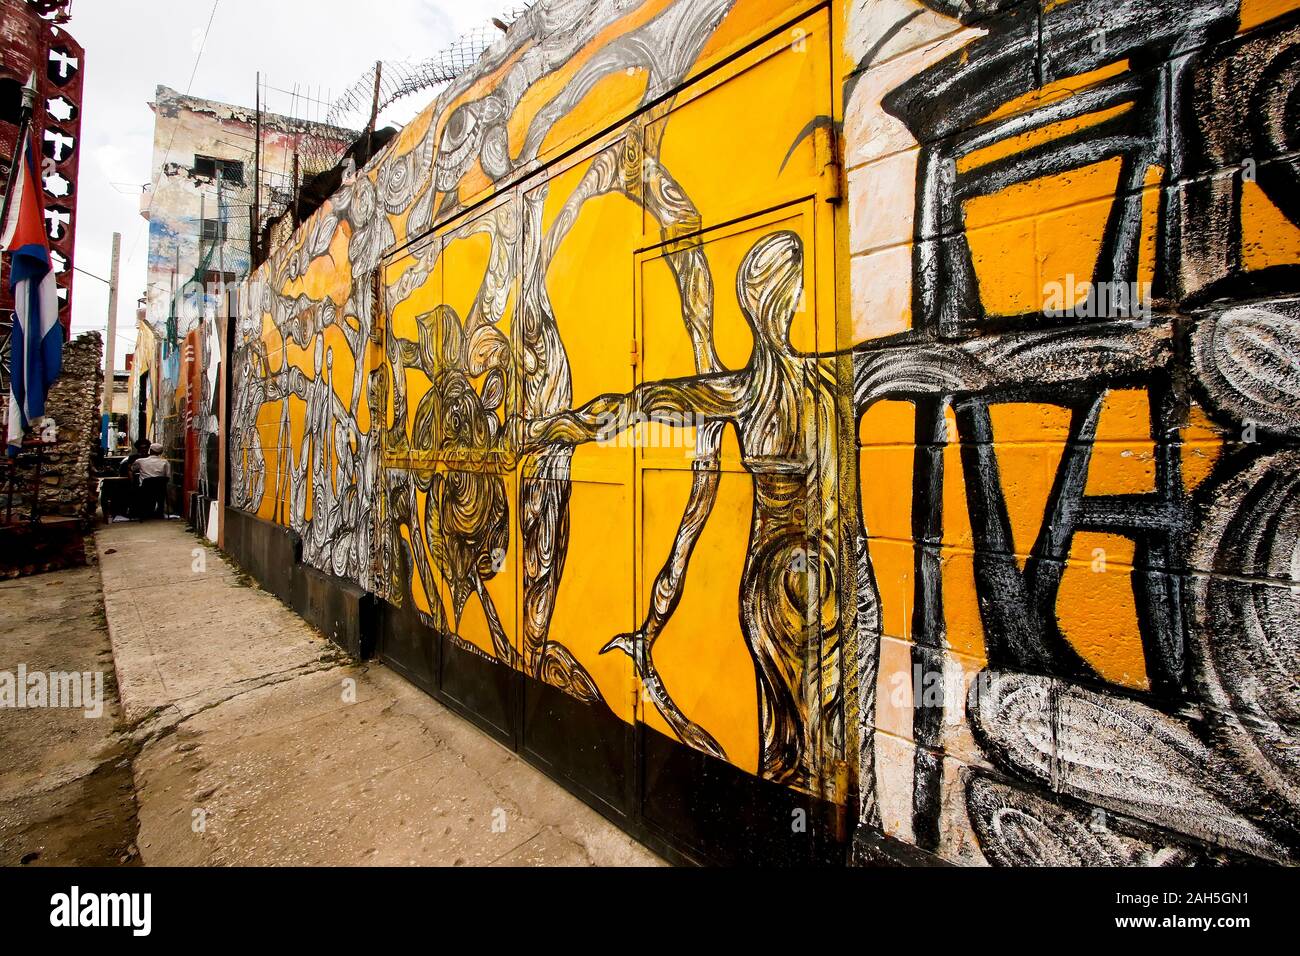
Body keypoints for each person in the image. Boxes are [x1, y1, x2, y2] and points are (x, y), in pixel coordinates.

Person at [131, 443, 171, 519]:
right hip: (160, 490)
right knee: (160, 490)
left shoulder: (140, 461)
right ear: (160, 452)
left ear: (151, 451)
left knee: (133, 489)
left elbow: (132, 469)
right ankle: (160, 512)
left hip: (145, 489)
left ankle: (139, 512)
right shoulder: (165, 462)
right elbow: (167, 477)